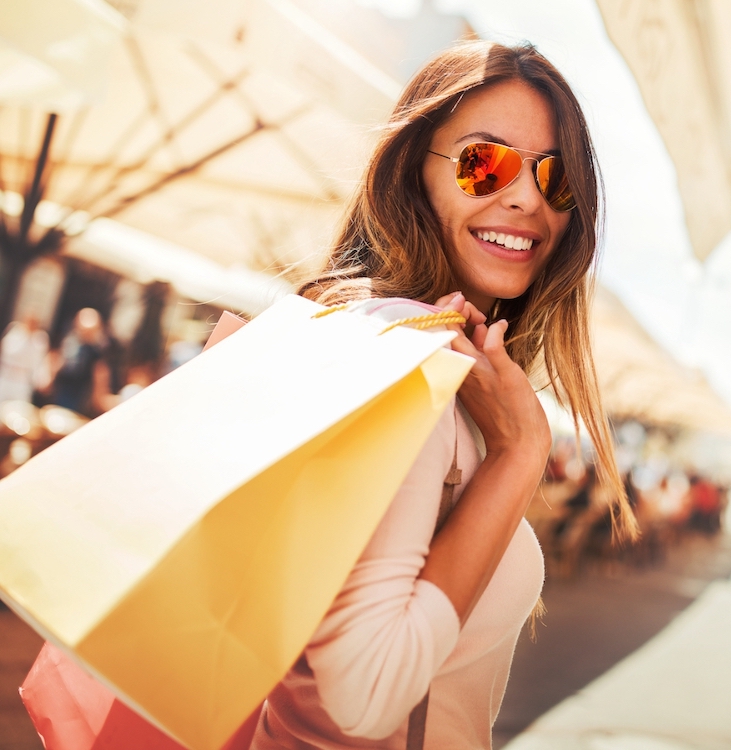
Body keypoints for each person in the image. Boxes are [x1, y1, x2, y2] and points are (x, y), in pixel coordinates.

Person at [251, 40, 638, 749]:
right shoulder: (401, 355)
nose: (525, 197)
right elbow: (361, 698)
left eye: (555, 180)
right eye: (483, 162)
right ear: (413, 174)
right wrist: (520, 454)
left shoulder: (421, 360)